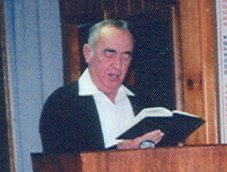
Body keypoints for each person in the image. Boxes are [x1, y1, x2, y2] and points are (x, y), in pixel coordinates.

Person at [39, 19, 163, 154]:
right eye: (109, 54)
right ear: (87, 53)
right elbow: (63, 166)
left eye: (125, 57)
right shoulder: (61, 104)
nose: (118, 65)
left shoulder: (142, 102)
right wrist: (122, 150)